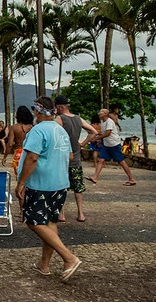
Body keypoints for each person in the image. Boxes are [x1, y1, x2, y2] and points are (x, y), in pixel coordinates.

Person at [16, 96, 81, 282]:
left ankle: (69, 258)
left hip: (41, 185)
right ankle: (44, 264)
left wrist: (21, 183)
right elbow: (69, 156)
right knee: (51, 222)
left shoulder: (38, 131)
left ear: (37, 111)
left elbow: (32, 158)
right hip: (60, 183)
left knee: (33, 221)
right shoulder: (60, 131)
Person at [54, 94, 97, 223]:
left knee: (62, 187)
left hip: (63, 158)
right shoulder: (79, 119)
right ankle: (81, 213)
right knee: (78, 187)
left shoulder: (59, 119)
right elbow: (94, 131)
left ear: (60, 107)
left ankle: (61, 214)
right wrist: (82, 144)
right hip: (76, 159)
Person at [86, 108, 137, 186]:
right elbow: (103, 134)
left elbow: (108, 133)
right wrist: (100, 140)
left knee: (121, 162)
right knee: (100, 160)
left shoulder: (109, 121)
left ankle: (131, 179)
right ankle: (95, 177)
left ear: (106, 114)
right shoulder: (103, 123)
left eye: (101, 112)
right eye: (99, 112)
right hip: (107, 145)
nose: (99, 113)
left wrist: (97, 138)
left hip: (114, 145)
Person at [2, 106, 34, 175]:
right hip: (29, 153)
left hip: (18, 153)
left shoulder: (14, 128)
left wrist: (5, 157)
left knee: (19, 177)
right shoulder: (31, 127)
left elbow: (10, 144)